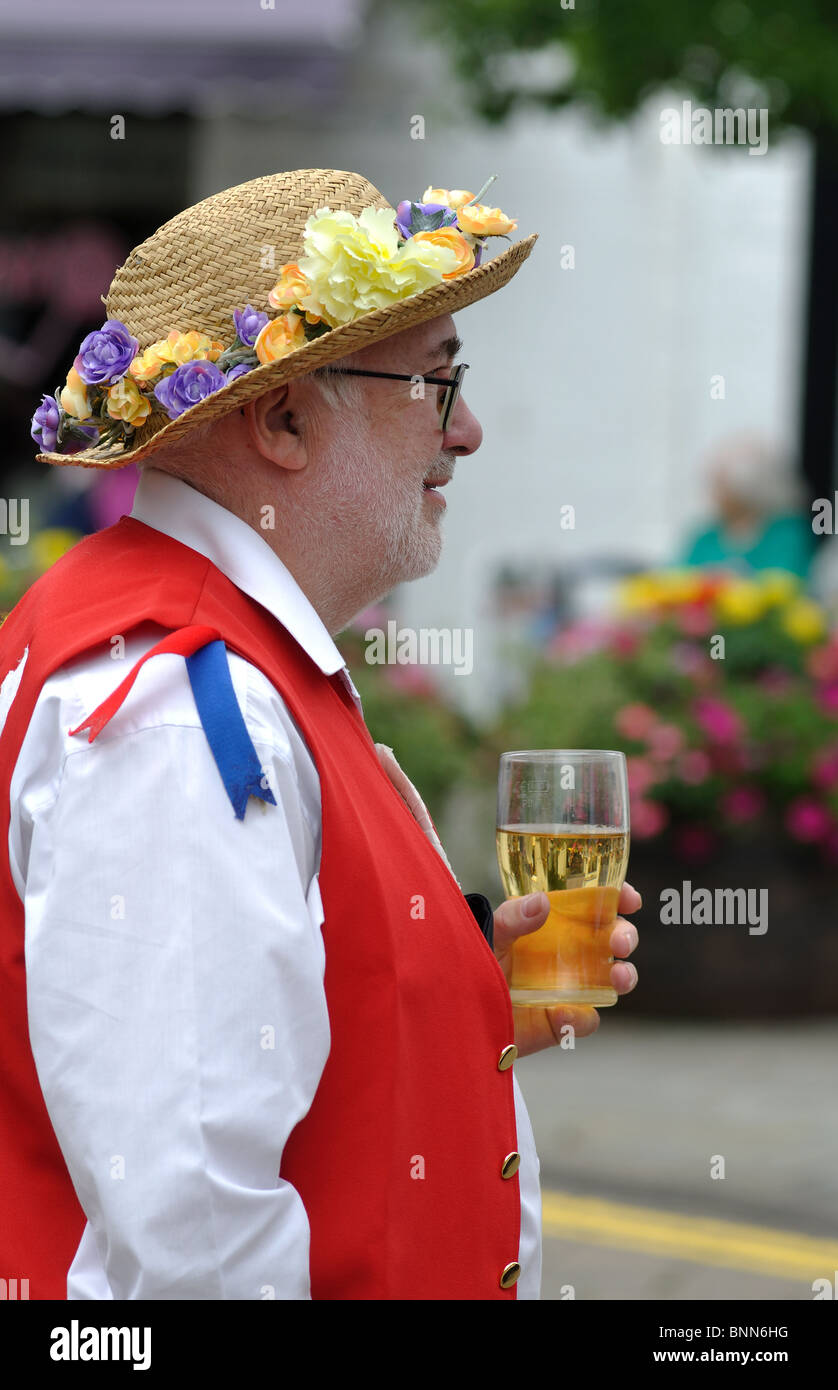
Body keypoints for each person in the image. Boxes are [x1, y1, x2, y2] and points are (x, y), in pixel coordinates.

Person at [1, 168, 640, 1301]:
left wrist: (448, 1001)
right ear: (282, 418)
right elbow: (195, 1235)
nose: (470, 431)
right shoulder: (180, 703)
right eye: (436, 382)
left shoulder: (213, 654)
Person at [680, 432, 815, 578]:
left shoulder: (787, 533)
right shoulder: (706, 538)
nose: (713, 493)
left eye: (721, 485)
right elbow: (677, 577)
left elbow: (788, 580)